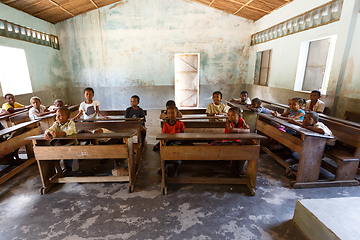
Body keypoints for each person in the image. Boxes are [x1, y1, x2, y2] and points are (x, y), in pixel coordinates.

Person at [44, 107, 77, 180]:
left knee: (56, 151)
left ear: (67, 117)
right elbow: (50, 129)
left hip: (71, 144)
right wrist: (47, 133)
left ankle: (64, 169)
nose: (58, 117)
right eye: (56, 115)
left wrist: (61, 133)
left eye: (60, 115)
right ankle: (59, 171)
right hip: (61, 144)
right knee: (54, 153)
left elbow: (71, 131)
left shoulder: (71, 123)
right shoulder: (56, 124)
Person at [159, 106, 186, 176]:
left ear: (177, 114)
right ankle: (164, 166)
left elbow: (183, 136)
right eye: (169, 113)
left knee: (177, 149)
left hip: (178, 142)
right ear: (167, 115)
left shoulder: (180, 124)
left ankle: (176, 168)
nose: (171, 115)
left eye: (173, 113)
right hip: (168, 143)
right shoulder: (165, 125)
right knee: (164, 149)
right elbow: (163, 136)